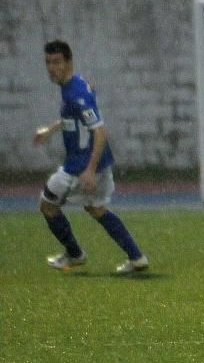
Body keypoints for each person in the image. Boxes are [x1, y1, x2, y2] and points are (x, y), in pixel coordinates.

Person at [33, 39, 149, 274]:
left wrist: (88, 169)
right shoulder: (77, 86)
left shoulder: (76, 93)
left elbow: (100, 130)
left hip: (80, 165)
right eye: (48, 62)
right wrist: (50, 130)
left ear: (68, 62)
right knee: (97, 209)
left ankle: (74, 254)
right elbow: (74, 119)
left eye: (57, 62)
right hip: (96, 162)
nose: (52, 67)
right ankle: (137, 257)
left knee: (47, 206)